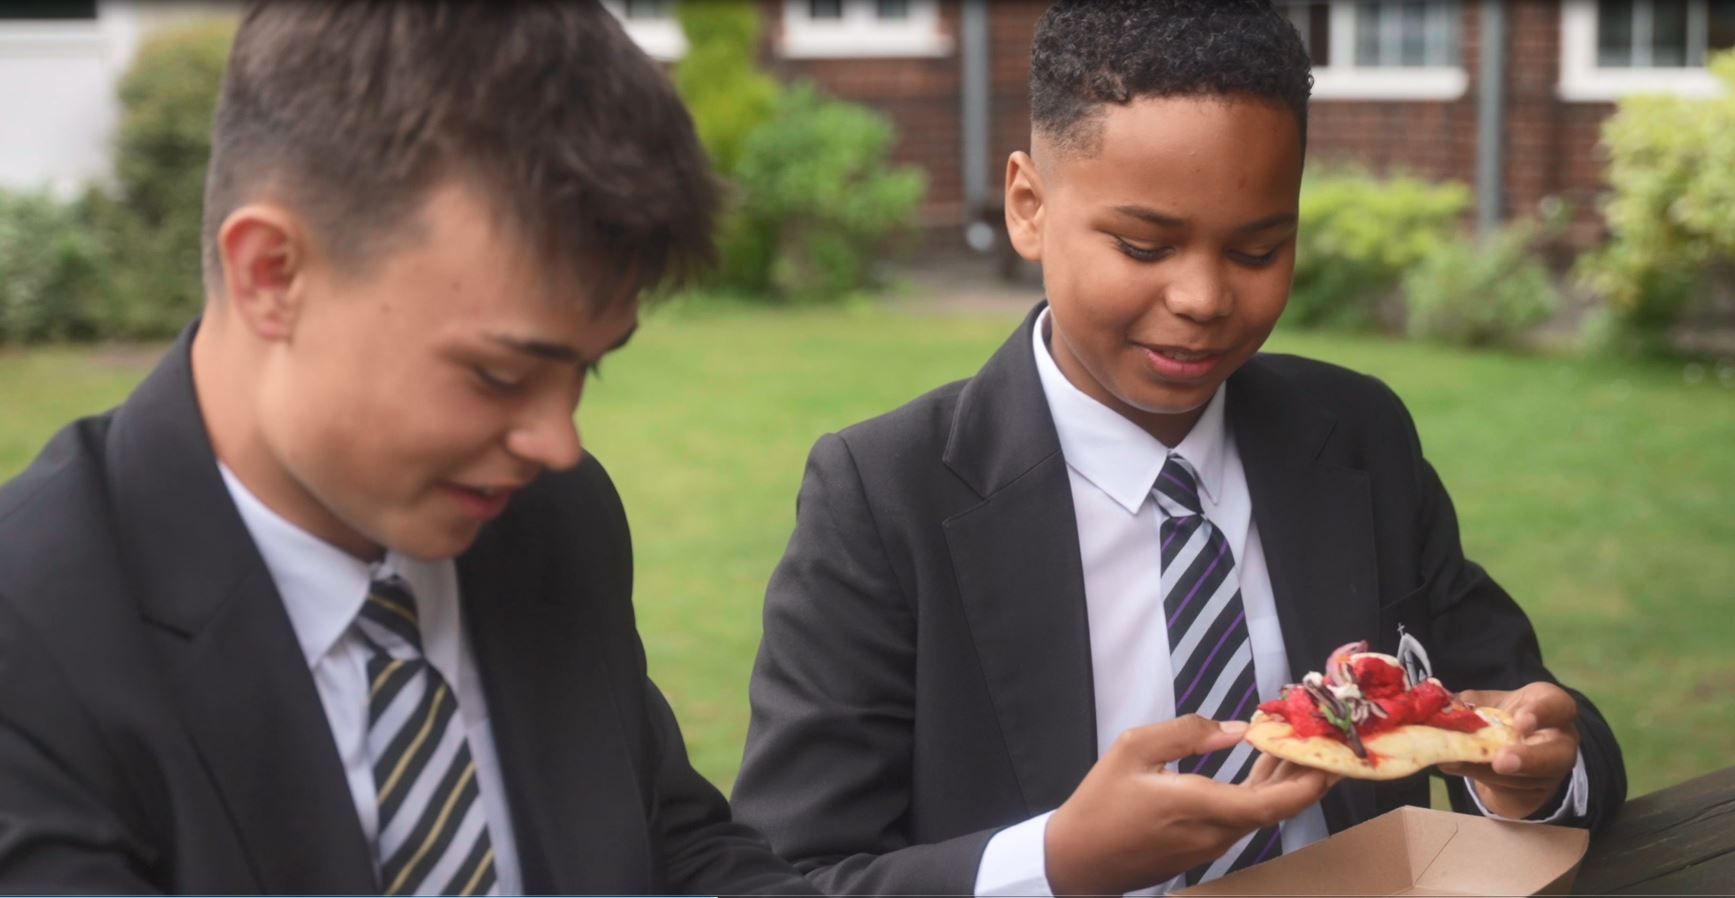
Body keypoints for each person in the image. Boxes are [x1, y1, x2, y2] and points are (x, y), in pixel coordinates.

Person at [730, 1, 1627, 894]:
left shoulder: (1352, 436)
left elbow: (1523, 719)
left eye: (1256, 251)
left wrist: (1534, 778)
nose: (1201, 298)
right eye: (1142, 244)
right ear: (1028, 206)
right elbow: (791, 873)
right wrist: (1052, 862)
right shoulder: (885, 498)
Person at [0, 2, 814, 893]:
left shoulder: (553, 521)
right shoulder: (34, 640)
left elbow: (673, 849)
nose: (557, 443)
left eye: (588, 369)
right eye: (500, 375)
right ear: (272, 274)